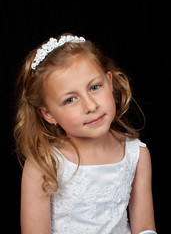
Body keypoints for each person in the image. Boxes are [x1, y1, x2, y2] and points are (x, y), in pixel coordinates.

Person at [14, 33, 157, 234]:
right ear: (48, 114)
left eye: (95, 87)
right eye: (70, 100)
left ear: (110, 82)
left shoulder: (137, 155)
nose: (90, 106)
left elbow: (144, 227)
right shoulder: (44, 163)